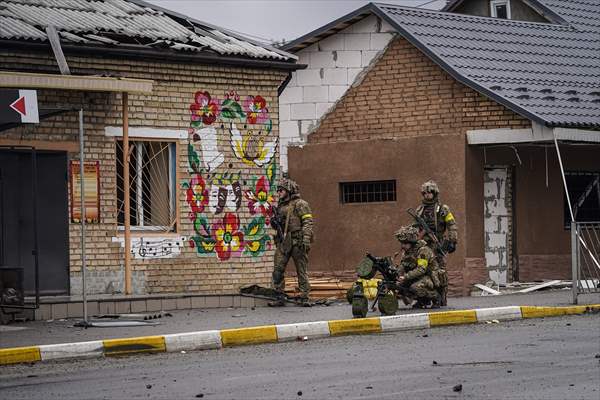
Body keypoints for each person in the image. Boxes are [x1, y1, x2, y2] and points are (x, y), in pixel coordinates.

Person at [268, 178, 314, 307]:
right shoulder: (280, 206)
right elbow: (280, 226)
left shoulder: (300, 204)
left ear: (288, 190)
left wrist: (305, 238)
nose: (279, 192)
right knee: (277, 269)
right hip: (284, 242)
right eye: (278, 190)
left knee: (301, 270)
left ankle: (304, 296)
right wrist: (274, 223)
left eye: (281, 190)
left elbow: (308, 222)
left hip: (298, 241)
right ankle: (279, 296)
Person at [413, 180, 457, 306]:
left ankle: (440, 298)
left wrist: (453, 241)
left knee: (439, 272)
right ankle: (423, 298)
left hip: (438, 244)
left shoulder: (443, 209)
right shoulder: (420, 210)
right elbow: (415, 227)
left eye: (429, 193)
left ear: (434, 193)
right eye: (425, 193)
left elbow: (452, 225)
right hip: (423, 246)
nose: (427, 195)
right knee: (421, 270)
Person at [395, 226, 442, 308]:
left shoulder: (423, 251)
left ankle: (436, 297)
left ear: (411, 243)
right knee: (399, 286)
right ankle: (422, 300)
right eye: (402, 243)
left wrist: (405, 277)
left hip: (430, 277)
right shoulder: (407, 252)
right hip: (418, 277)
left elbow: (421, 269)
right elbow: (403, 265)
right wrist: (397, 275)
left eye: (405, 243)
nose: (402, 246)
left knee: (415, 287)